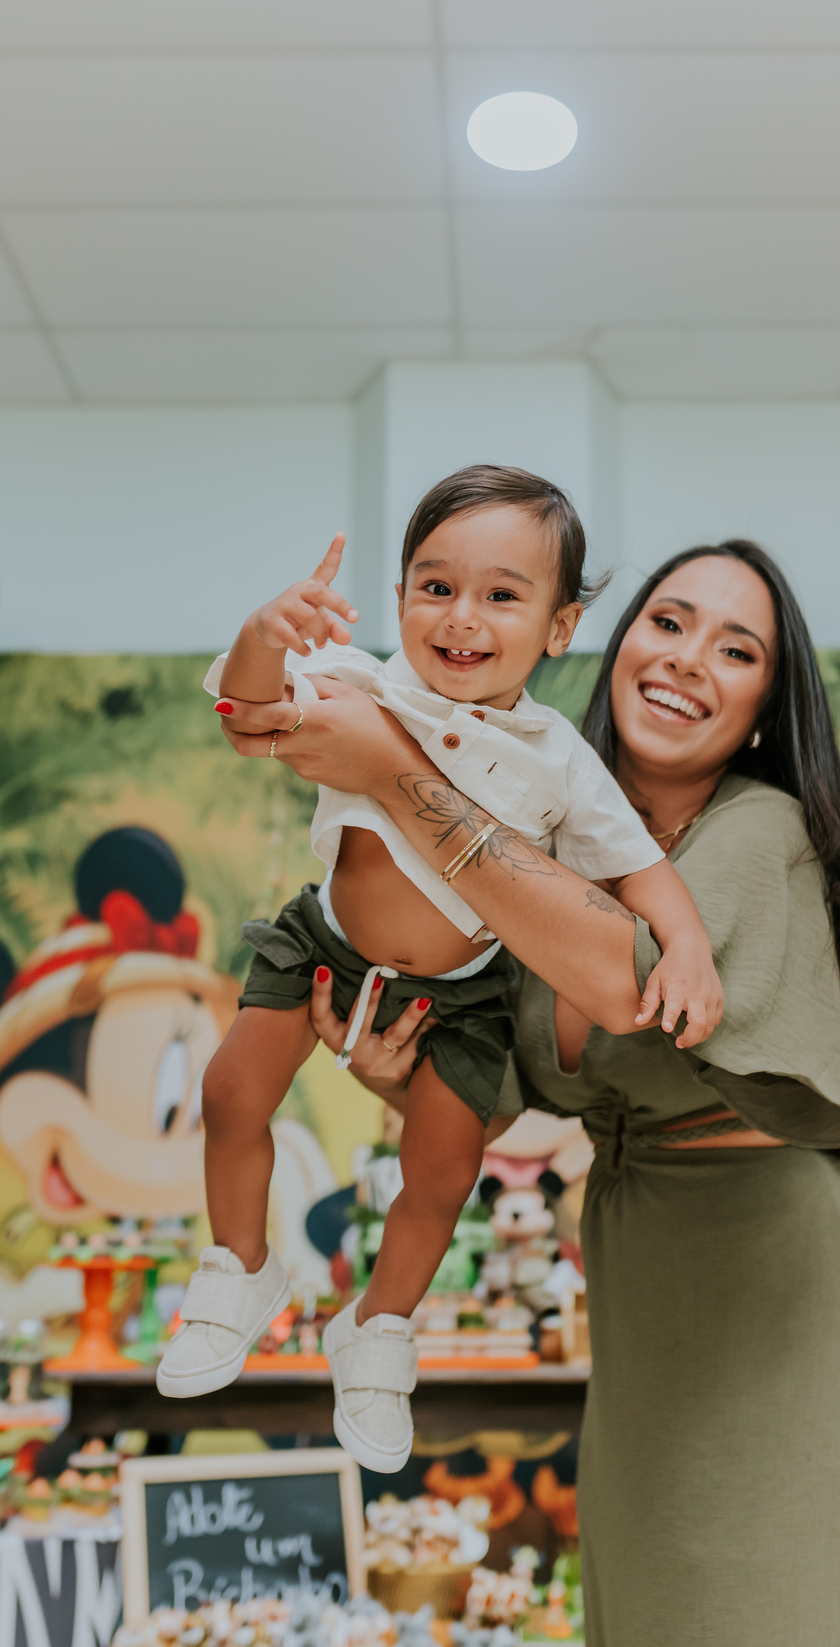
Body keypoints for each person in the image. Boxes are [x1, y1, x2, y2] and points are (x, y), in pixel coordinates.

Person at [217, 535, 840, 1647]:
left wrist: (399, 775)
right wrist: (391, 1070)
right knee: (667, 1628)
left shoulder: (756, 830)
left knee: (790, 1633)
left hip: (780, 1278)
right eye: (668, 623)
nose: (688, 661)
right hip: (639, 1272)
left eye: (737, 650)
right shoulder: (544, 831)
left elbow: (630, 985)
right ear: (615, 644)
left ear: (764, 707)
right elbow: (492, 1089)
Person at [159, 467, 722, 1480]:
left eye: (502, 595)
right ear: (400, 597)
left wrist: (685, 946)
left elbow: (639, 868)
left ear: (559, 627)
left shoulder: (558, 757)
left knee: (442, 1172)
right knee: (229, 1091)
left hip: (464, 993)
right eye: (436, 586)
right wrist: (267, 630)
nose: (462, 616)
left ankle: (377, 1329)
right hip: (325, 940)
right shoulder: (363, 684)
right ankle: (240, 1267)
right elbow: (248, 704)